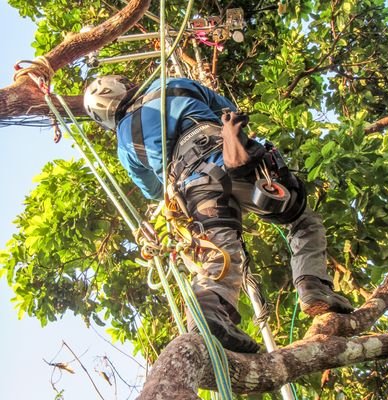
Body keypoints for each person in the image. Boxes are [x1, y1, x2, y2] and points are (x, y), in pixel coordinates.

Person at [84, 75, 354, 353]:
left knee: (221, 251)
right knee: (303, 221)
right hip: (231, 160)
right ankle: (313, 288)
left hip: (195, 185)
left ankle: (209, 317)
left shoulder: (125, 142)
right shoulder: (173, 84)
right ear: (123, 85)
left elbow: (154, 190)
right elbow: (226, 108)